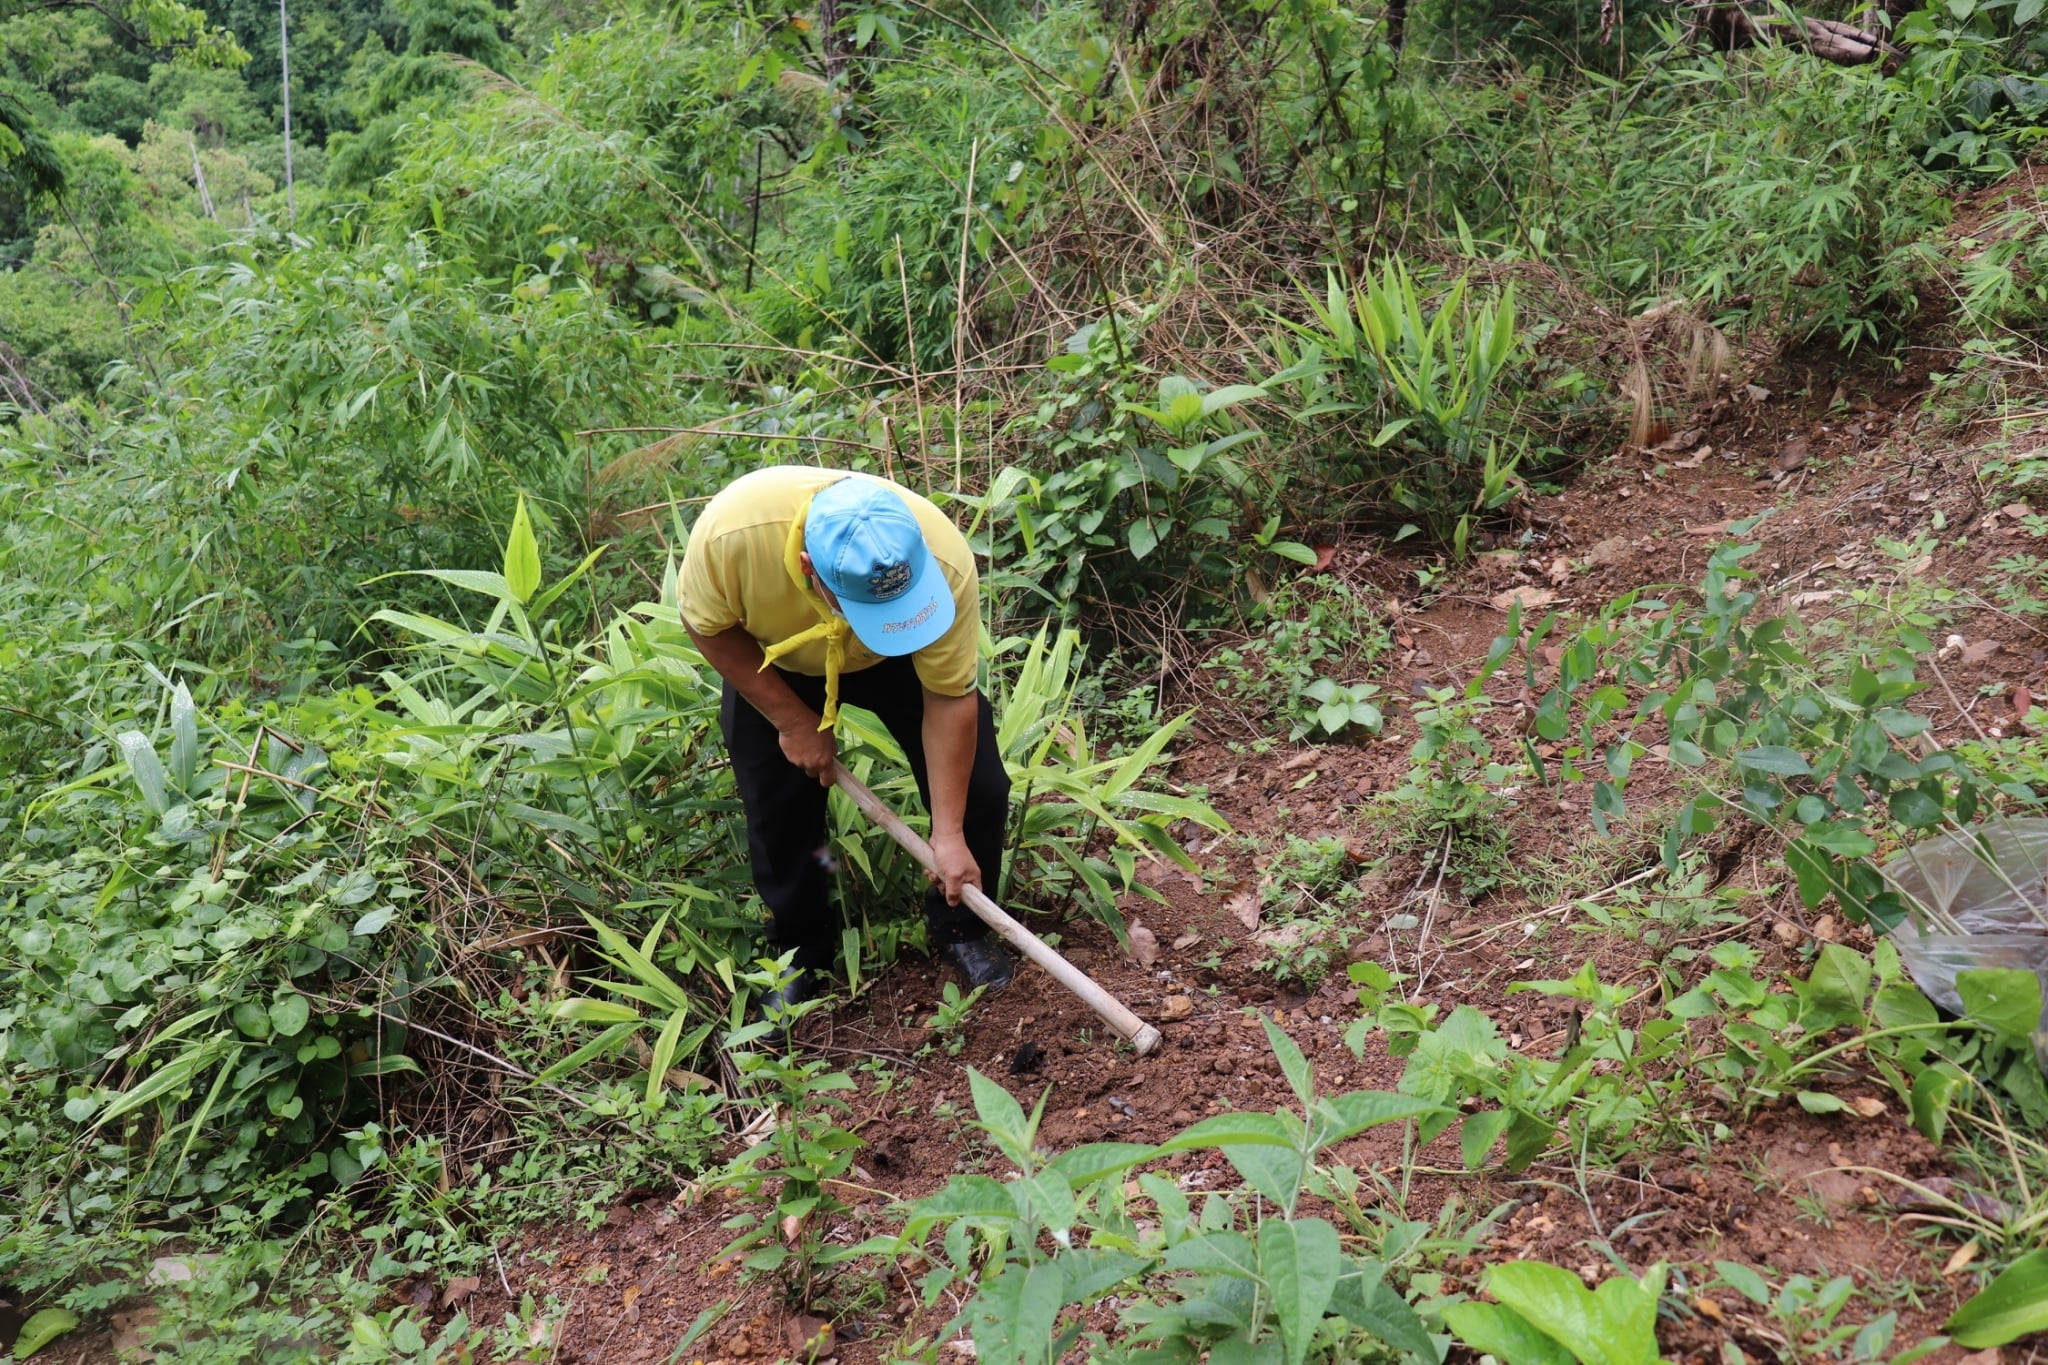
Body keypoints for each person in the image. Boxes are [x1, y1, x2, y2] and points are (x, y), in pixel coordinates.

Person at [679, 465, 1016, 1017]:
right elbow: (708, 627)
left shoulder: (944, 560)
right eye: (867, 607)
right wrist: (792, 722)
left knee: (979, 790)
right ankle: (801, 955)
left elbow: (949, 699)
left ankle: (962, 927)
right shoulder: (730, 537)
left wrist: (949, 833)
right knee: (777, 807)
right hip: (778, 660)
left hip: (899, 656)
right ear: (809, 568)